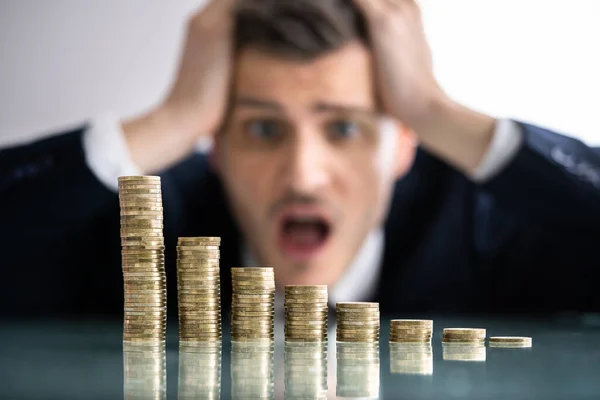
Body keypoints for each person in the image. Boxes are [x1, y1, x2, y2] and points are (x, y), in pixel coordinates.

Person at [1, 0, 599, 318]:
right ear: (215, 143)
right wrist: (169, 121)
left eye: (343, 127)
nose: (303, 175)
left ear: (406, 143)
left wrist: (436, 111)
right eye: (263, 128)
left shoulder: (485, 222)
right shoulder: (144, 229)